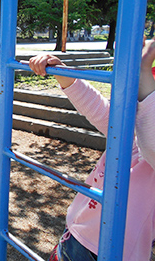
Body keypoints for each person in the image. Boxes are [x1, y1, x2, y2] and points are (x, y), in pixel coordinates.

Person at [28, 36, 155, 261]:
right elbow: (100, 111)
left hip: (112, 250)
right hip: (76, 233)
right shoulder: (132, 131)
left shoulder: (148, 141)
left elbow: (151, 145)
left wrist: (144, 70)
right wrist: (61, 72)